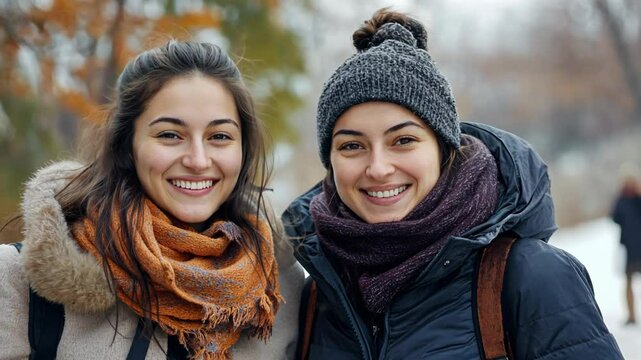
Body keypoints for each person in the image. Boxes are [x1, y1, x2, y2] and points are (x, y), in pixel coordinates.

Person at [282, 8, 624, 359]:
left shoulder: (531, 279)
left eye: (403, 140)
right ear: (331, 162)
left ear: (443, 149)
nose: (379, 168)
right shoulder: (317, 300)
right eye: (352, 146)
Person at [0, 40, 303, 359]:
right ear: (127, 144)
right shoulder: (18, 284)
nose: (198, 160)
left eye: (219, 137)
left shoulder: (281, 292)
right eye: (170, 135)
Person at [612, 171, 641, 325]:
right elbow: (614, 217)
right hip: (628, 248)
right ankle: (631, 315)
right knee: (628, 281)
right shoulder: (621, 200)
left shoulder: (638, 198)